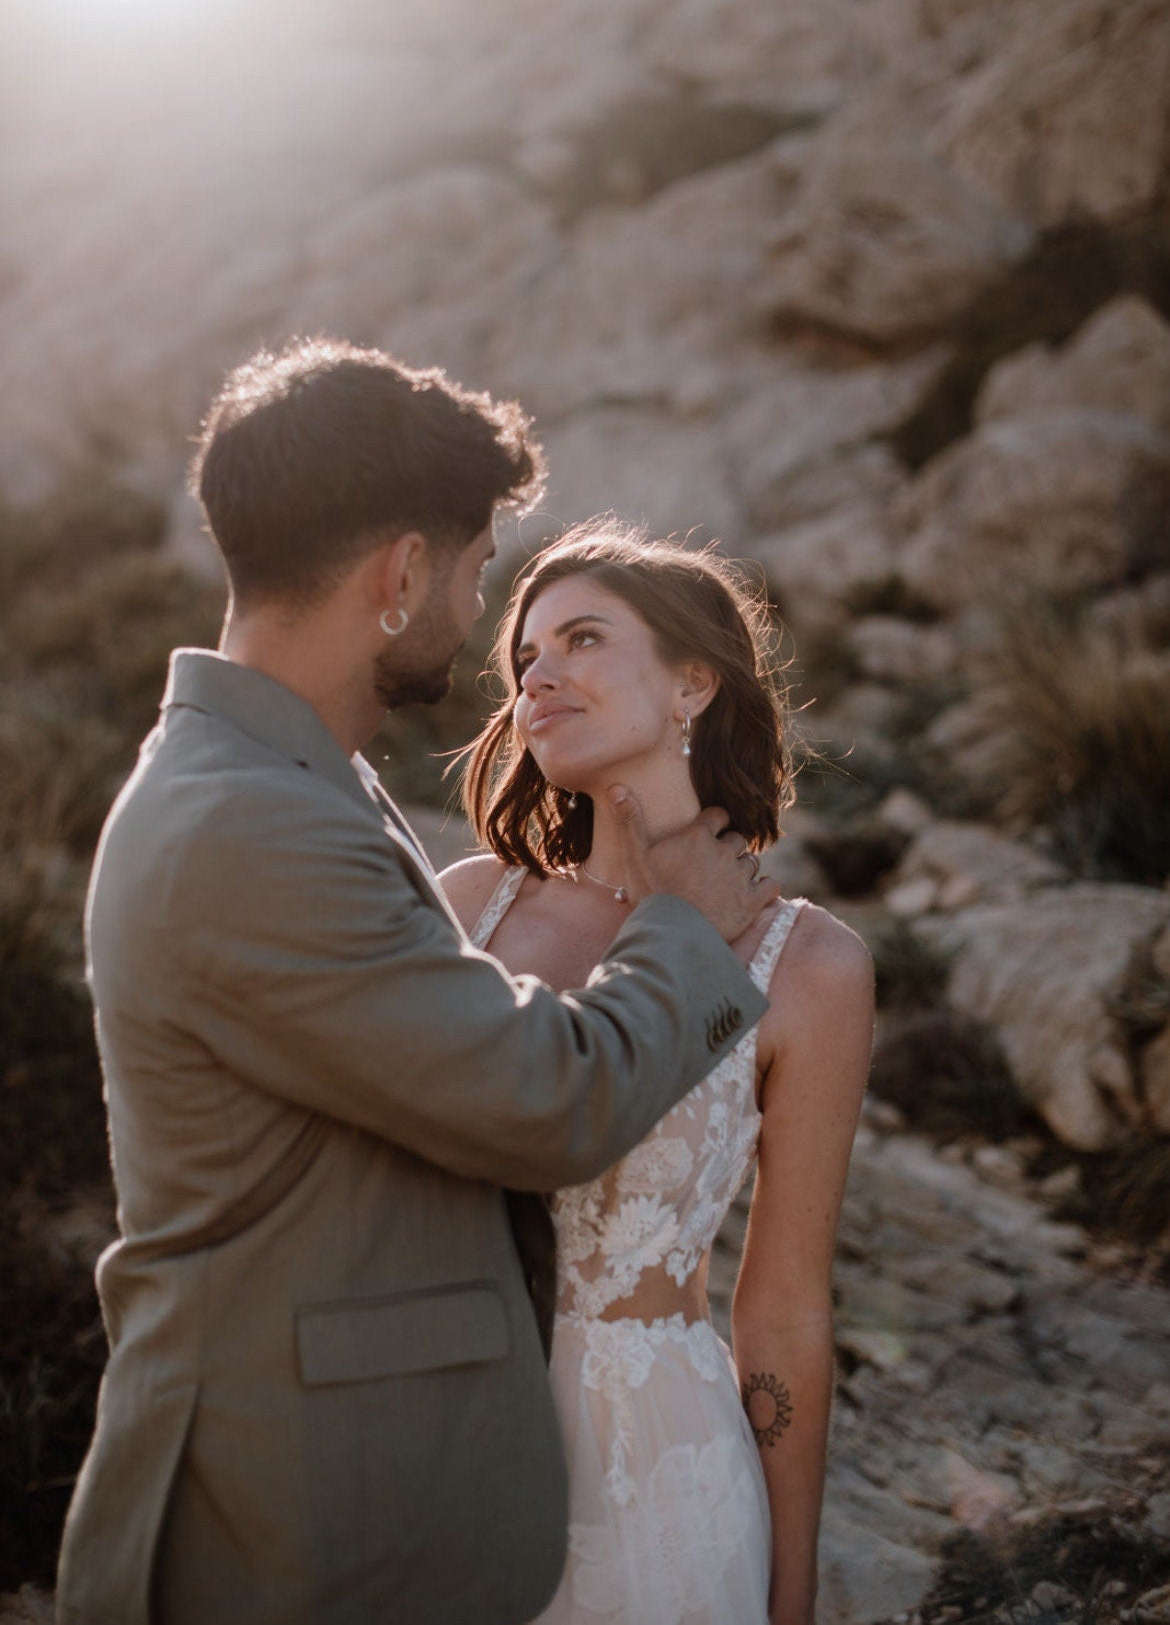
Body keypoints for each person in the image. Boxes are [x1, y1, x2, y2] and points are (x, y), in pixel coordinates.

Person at [55, 341, 781, 1625]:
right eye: (476, 573)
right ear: (400, 573)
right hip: (287, 1522)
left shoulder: (290, 781)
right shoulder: (247, 820)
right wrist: (679, 927)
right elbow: (539, 1098)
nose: (482, 626)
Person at [443, 521, 874, 1625]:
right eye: (525, 656)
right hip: (447, 1453)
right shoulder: (463, 911)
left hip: (665, 1483)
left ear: (693, 683)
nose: (539, 674)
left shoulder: (808, 966)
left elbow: (783, 1308)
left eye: (582, 639)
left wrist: (790, 1590)